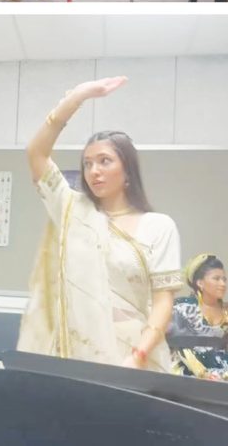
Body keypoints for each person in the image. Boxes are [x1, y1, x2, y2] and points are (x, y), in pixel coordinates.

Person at [20, 76, 182, 373]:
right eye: (87, 163)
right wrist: (75, 99)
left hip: (136, 354)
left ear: (127, 169)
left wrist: (137, 356)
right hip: (77, 352)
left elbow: (162, 303)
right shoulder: (71, 208)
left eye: (105, 161)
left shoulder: (159, 226)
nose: (94, 171)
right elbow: (36, 154)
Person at [169, 254, 228, 380]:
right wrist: (204, 374)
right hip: (189, 374)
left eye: (224, 279)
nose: (222, 284)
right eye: (216, 279)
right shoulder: (182, 307)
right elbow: (182, 348)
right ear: (200, 283)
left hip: (223, 373)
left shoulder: (226, 312)